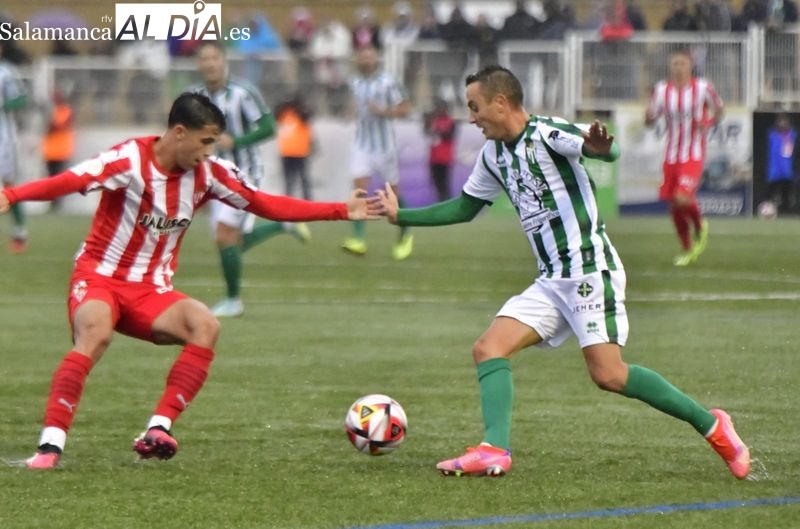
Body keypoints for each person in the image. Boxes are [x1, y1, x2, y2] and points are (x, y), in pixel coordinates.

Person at [376, 65, 750, 480]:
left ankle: (714, 426)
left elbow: (599, 149)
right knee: (488, 348)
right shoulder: (493, 155)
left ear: (500, 103)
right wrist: (401, 216)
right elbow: (464, 208)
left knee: (609, 374)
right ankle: (494, 449)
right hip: (552, 279)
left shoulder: (548, 133)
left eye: (475, 106)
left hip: (591, 270)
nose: (471, 117)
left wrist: (601, 147)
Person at [2, 92, 380, 470]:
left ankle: (158, 429)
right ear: (179, 133)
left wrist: (339, 211)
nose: (208, 151)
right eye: (205, 141)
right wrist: (12, 194)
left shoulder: (209, 174)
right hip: (99, 277)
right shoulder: (127, 161)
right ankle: (49, 447)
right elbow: (69, 181)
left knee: (205, 325)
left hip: (151, 290)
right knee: (96, 334)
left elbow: (264, 203)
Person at [189, 41, 309, 318]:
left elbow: (269, 127)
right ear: (198, 64)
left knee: (224, 234)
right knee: (231, 242)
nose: (209, 63)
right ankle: (282, 227)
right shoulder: (194, 97)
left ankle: (233, 301)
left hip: (244, 172)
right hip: (211, 176)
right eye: (203, 59)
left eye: (213, 58)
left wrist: (238, 141)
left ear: (223, 61)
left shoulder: (243, 93)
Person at [645, 48, 723, 266]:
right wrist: (648, 117)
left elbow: (719, 109)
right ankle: (687, 248)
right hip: (671, 156)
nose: (678, 67)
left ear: (690, 66)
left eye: (682, 63)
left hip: (693, 154)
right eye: (675, 64)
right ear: (670, 67)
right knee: (674, 204)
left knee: (682, 197)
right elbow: (650, 120)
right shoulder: (661, 91)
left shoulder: (702, 87)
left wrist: (706, 123)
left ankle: (700, 225)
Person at [342, 44, 413, 260]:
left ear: (376, 60)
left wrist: (383, 111)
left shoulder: (388, 82)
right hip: (362, 145)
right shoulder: (354, 82)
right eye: (362, 57)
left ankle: (405, 233)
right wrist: (350, 112)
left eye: (369, 57)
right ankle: (359, 240)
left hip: (384, 147)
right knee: (359, 191)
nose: (365, 61)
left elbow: (405, 108)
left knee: (393, 195)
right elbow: (353, 105)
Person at [0, 43, 28, 253]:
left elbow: (21, 100)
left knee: (9, 185)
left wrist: (5, 103)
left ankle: (19, 232)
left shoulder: (6, 72)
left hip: (4, 138)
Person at [276, 92, 315, 200]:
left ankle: (308, 201)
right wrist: (285, 104)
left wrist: (298, 105)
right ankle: (288, 201)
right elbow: (275, 114)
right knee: (288, 181)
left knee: (304, 180)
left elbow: (308, 115)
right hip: (286, 152)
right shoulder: (284, 113)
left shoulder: (301, 114)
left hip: (300, 152)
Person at [42, 90, 75, 212]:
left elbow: (56, 126)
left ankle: (57, 204)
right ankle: (52, 203)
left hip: (61, 151)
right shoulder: (53, 111)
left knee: (58, 179)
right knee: (50, 179)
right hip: (49, 151)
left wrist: (49, 118)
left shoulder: (65, 111)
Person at [423, 97, 457, 202]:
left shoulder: (451, 121)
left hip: (445, 157)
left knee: (444, 182)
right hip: (434, 157)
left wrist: (437, 130)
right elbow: (426, 131)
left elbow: (449, 135)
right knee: (435, 182)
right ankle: (439, 201)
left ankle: (446, 202)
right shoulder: (434, 120)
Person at [766, 113, 798, 214]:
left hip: (787, 170)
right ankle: (770, 210)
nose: (783, 125)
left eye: (785, 123)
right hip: (774, 170)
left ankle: (787, 211)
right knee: (772, 192)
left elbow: (794, 133)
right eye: (781, 123)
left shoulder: (791, 135)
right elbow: (771, 133)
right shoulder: (773, 135)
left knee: (786, 193)